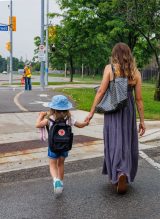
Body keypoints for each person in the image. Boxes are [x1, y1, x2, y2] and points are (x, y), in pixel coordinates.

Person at [84, 42, 146, 194]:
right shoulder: (136, 73)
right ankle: (124, 171)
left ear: (114, 55)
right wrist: (142, 121)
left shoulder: (110, 69)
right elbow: (139, 99)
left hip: (113, 110)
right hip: (128, 110)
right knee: (126, 140)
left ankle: (119, 172)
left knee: (114, 141)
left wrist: (91, 112)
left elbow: (100, 92)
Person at [35, 95, 89, 195]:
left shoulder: (50, 118)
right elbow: (80, 125)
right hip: (65, 146)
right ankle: (61, 183)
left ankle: (56, 181)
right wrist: (86, 123)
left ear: (52, 108)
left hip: (53, 147)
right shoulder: (69, 118)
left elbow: (37, 125)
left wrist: (41, 116)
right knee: (61, 164)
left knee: (52, 164)